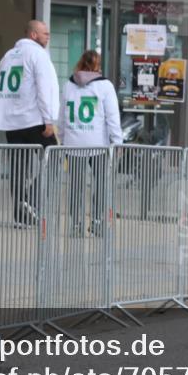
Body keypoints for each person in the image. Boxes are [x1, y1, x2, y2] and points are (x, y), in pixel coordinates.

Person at [0, 20, 60, 226]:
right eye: (44, 34)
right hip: (33, 118)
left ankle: (21, 214)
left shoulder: (8, 56)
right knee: (53, 157)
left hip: (11, 120)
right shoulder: (37, 55)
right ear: (33, 35)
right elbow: (44, 89)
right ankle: (30, 201)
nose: (48, 37)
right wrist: (49, 120)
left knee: (18, 167)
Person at [58, 50, 124, 237]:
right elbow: (112, 117)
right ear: (97, 65)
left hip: (73, 143)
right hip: (98, 145)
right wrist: (117, 141)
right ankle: (96, 221)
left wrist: (62, 139)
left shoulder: (68, 85)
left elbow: (62, 116)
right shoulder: (105, 86)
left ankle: (76, 224)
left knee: (75, 186)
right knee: (101, 184)